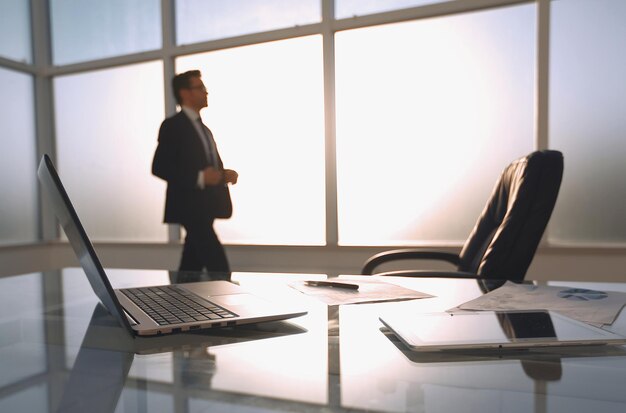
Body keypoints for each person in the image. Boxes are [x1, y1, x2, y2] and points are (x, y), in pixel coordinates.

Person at [152, 70, 238, 273]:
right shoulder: (173, 126)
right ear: (185, 93)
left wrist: (223, 174)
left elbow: (207, 166)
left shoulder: (205, 129)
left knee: (191, 267)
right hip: (189, 207)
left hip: (207, 206)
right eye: (200, 87)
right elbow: (160, 166)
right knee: (220, 268)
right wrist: (200, 177)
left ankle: (174, 303)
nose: (205, 92)